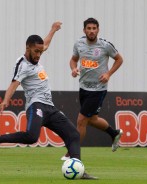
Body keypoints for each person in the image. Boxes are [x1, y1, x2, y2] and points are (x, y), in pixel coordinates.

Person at [0, 21, 97, 179]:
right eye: (36, 52)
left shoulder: (37, 53)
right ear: (28, 48)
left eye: (41, 52)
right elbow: (14, 83)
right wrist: (6, 100)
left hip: (50, 108)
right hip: (36, 105)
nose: (39, 55)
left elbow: (45, 44)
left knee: (73, 134)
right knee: (32, 137)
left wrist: (53, 30)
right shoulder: (22, 64)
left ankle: (79, 170)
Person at [61, 18, 123, 161]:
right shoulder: (79, 44)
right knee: (92, 119)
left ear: (98, 30)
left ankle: (72, 153)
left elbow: (119, 59)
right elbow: (73, 59)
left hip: (98, 89)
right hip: (83, 87)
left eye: (94, 28)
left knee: (81, 120)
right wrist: (73, 69)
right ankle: (114, 133)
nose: (91, 31)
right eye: (89, 28)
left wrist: (108, 74)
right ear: (84, 30)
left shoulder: (105, 45)